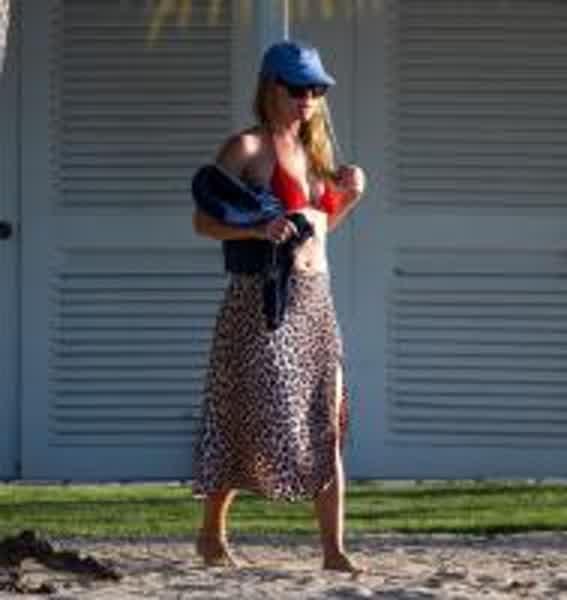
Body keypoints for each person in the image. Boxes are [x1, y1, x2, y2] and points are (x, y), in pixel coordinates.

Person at [191, 40, 366, 572]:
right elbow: (203, 221)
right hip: (261, 301)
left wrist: (349, 197)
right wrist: (255, 228)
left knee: (325, 418)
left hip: (316, 300)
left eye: (316, 89)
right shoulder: (246, 149)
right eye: (298, 88)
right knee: (243, 415)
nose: (308, 98)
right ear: (271, 87)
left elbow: (317, 230)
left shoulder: (317, 154)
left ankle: (334, 550)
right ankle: (211, 533)